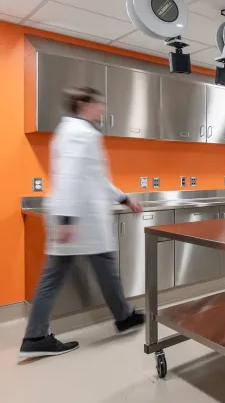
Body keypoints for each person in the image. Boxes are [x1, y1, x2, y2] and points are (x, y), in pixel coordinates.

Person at [19, 86, 146, 359]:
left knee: (80, 273)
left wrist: (124, 199)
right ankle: (37, 335)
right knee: (81, 273)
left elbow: (94, 178)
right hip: (79, 222)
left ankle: (37, 334)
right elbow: (70, 177)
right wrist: (67, 219)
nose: (103, 109)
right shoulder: (81, 135)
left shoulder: (72, 133)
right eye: (99, 104)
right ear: (83, 104)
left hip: (78, 220)